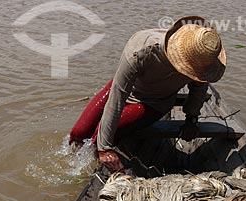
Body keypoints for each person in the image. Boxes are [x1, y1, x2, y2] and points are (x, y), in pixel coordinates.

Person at [69, 16, 226, 172]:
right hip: (125, 90)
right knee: (78, 133)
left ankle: (92, 168)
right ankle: (74, 164)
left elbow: (199, 90)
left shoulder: (203, 62)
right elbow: (117, 98)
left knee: (97, 137)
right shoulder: (141, 50)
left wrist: (191, 119)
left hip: (153, 104)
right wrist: (105, 148)